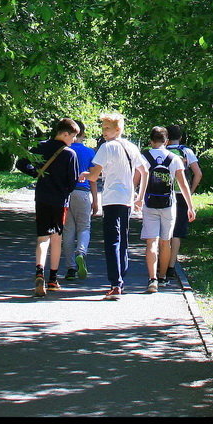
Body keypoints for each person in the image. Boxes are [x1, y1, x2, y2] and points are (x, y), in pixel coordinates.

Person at [80, 113, 148, 300]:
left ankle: (115, 284)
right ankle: (120, 281)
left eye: (107, 129)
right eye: (103, 129)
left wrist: (85, 175)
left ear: (118, 129)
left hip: (111, 198)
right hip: (126, 199)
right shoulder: (132, 147)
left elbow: (94, 175)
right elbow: (145, 171)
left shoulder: (107, 147)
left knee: (112, 240)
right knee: (123, 240)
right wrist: (139, 196)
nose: (104, 132)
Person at [15, 118, 81, 297]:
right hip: (60, 201)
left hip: (42, 197)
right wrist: (64, 190)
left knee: (42, 238)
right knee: (56, 238)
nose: (73, 140)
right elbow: (72, 182)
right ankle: (53, 278)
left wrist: (36, 173)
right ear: (65, 134)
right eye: (73, 136)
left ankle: (39, 273)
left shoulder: (41, 146)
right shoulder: (69, 154)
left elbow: (21, 163)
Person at [138, 126, 194, 293]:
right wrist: (190, 206)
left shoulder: (144, 157)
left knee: (151, 242)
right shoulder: (174, 158)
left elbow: (136, 180)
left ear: (151, 141)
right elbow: (183, 184)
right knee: (165, 242)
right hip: (169, 205)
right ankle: (162, 277)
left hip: (149, 204)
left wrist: (136, 199)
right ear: (167, 141)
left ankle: (152, 279)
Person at [164, 124, 201, 284]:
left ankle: (160, 265)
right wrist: (190, 192)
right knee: (177, 232)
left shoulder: (162, 151)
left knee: (163, 231)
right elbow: (198, 173)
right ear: (181, 137)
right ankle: (171, 267)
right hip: (181, 195)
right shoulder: (187, 151)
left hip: (163, 194)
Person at [62, 120, 98, 281]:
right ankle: (81, 252)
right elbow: (93, 179)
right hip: (83, 193)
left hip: (65, 194)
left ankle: (70, 269)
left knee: (68, 231)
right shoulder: (89, 152)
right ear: (83, 134)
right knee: (84, 227)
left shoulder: (64, 150)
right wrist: (95, 200)